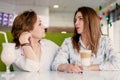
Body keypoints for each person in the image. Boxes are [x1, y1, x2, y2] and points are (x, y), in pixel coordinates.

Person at [52, 6, 120, 73]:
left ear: (90, 21)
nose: (76, 23)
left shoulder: (105, 41)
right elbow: (55, 64)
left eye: (80, 19)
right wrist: (67, 67)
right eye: (75, 20)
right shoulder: (69, 42)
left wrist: (91, 68)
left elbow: (118, 63)